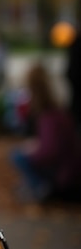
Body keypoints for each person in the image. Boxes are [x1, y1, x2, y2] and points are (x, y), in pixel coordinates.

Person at [11, 63, 81, 203]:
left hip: (64, 173)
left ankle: (41, 187)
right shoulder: (59, 112)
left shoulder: (48, 117)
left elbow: (49, 151)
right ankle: (34, 185)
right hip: (69, 167)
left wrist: (32, 150)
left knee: (17, 155)